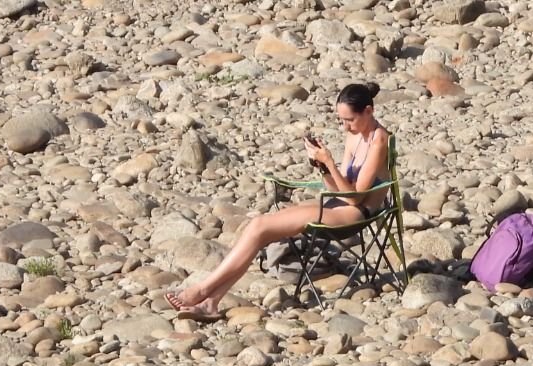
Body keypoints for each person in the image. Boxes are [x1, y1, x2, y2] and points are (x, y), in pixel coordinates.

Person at [166, 82, 393, 322]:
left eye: (350, 120)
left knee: (260, 227)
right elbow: (335, 188)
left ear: (368, 111)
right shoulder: (353, 135)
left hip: (358, 212)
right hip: (338, 203)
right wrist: (322, 168)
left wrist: (329, 163)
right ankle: (211, 301)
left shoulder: (379, 140)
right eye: (342, 120)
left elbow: (356, 197)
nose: (346, 126)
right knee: (258, 226)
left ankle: (203, 291)